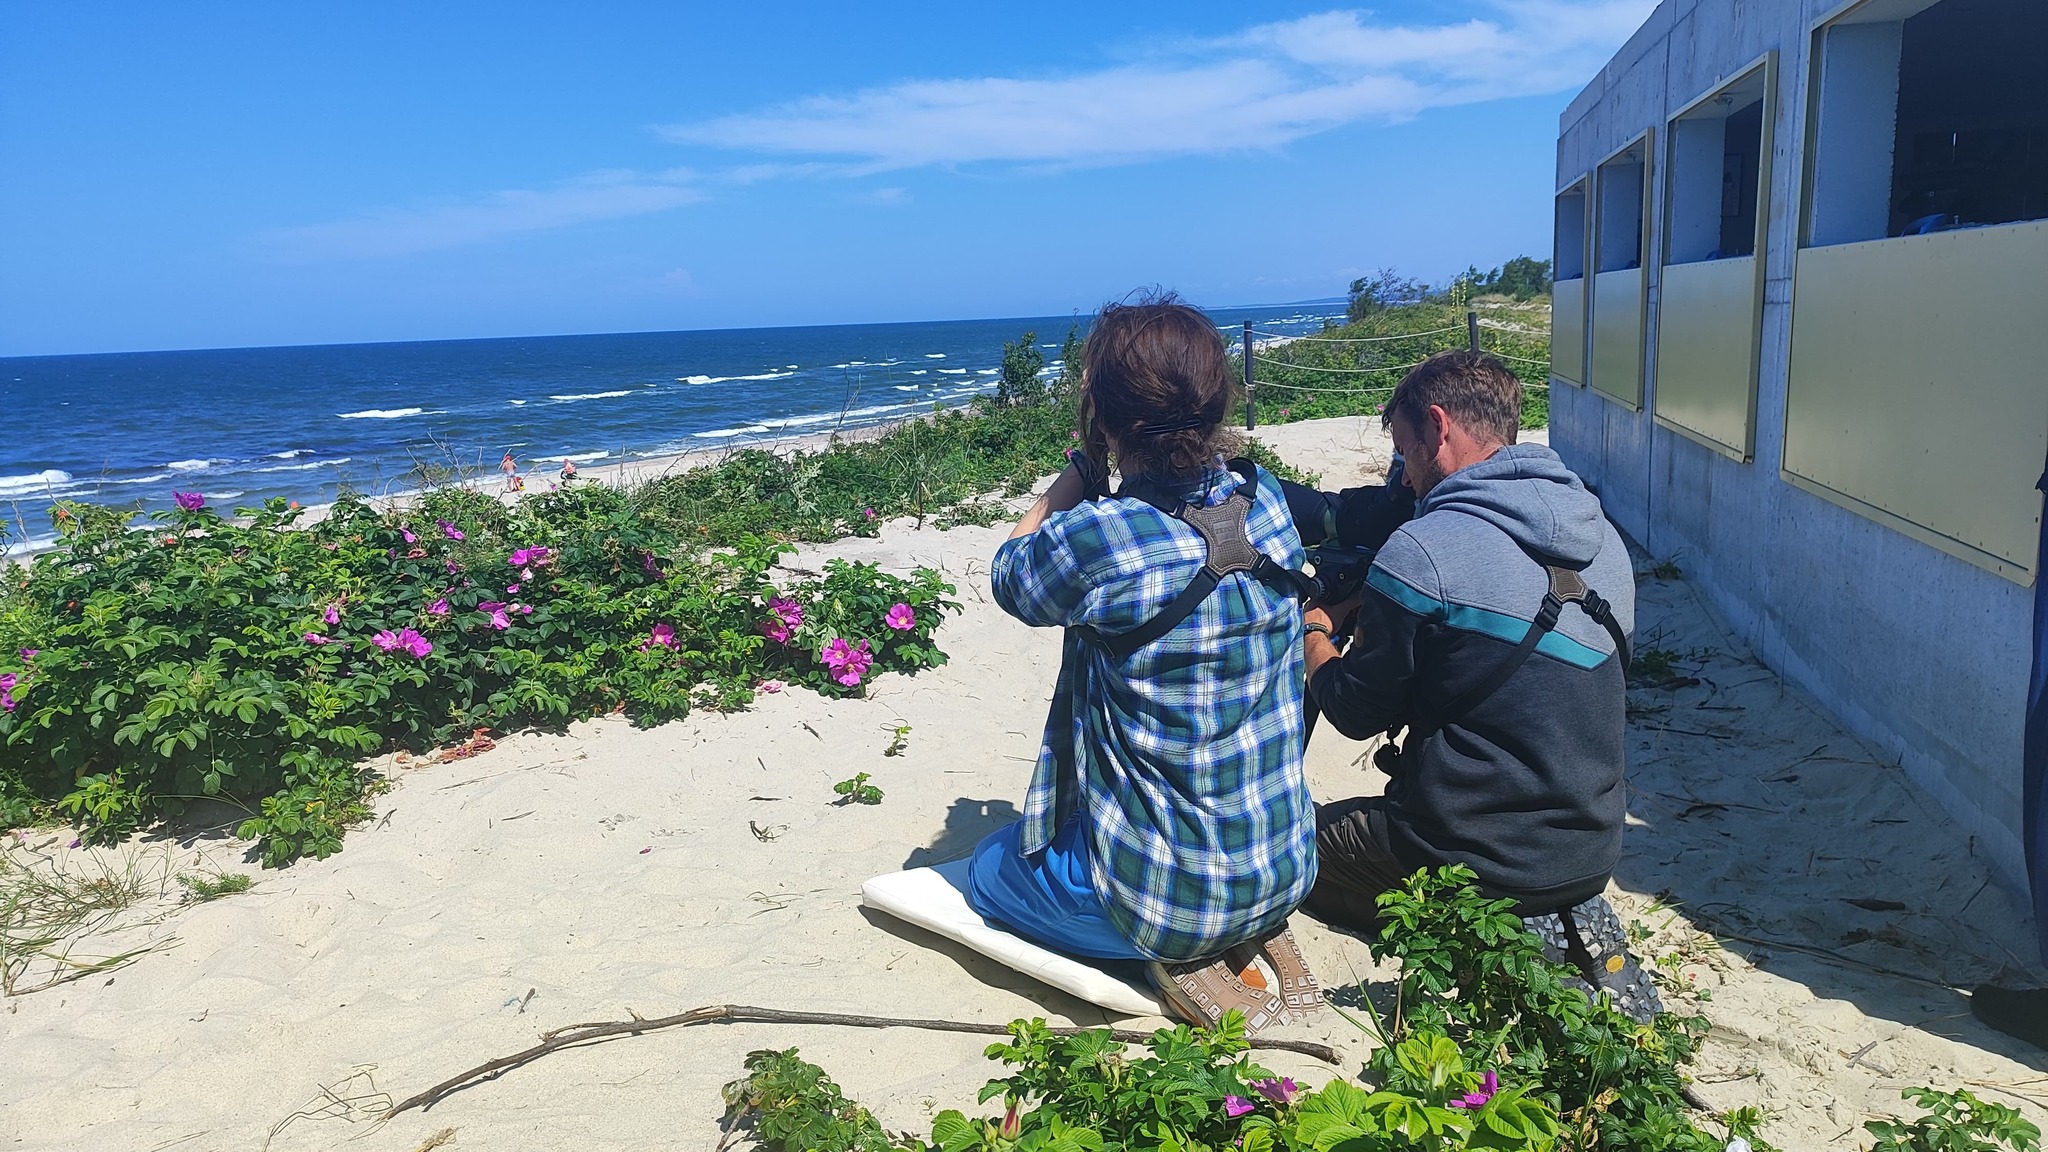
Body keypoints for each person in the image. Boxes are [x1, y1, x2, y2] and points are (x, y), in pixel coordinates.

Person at [966, 294, 1321, 1033]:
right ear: (1218, 402)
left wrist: (1075, 474)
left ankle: (1171, 946)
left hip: (1166, 902)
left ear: (1105, 416)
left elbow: (1009, 573)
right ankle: (1248, 925)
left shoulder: (1103, 537)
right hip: (1285, 865)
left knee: (989, 868)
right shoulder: (1268, 501)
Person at [1298, 350, 1660, 1021]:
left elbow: (1353, 709)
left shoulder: (1423, 550)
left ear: (1439, 428)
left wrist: (1317, 632)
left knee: (1293, 849)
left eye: (1404, 449)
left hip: (1472, 857)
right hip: (1590, 848)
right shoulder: (1605, 539)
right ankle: (1560, 915)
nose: (1405, 476)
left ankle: (1488, 932)